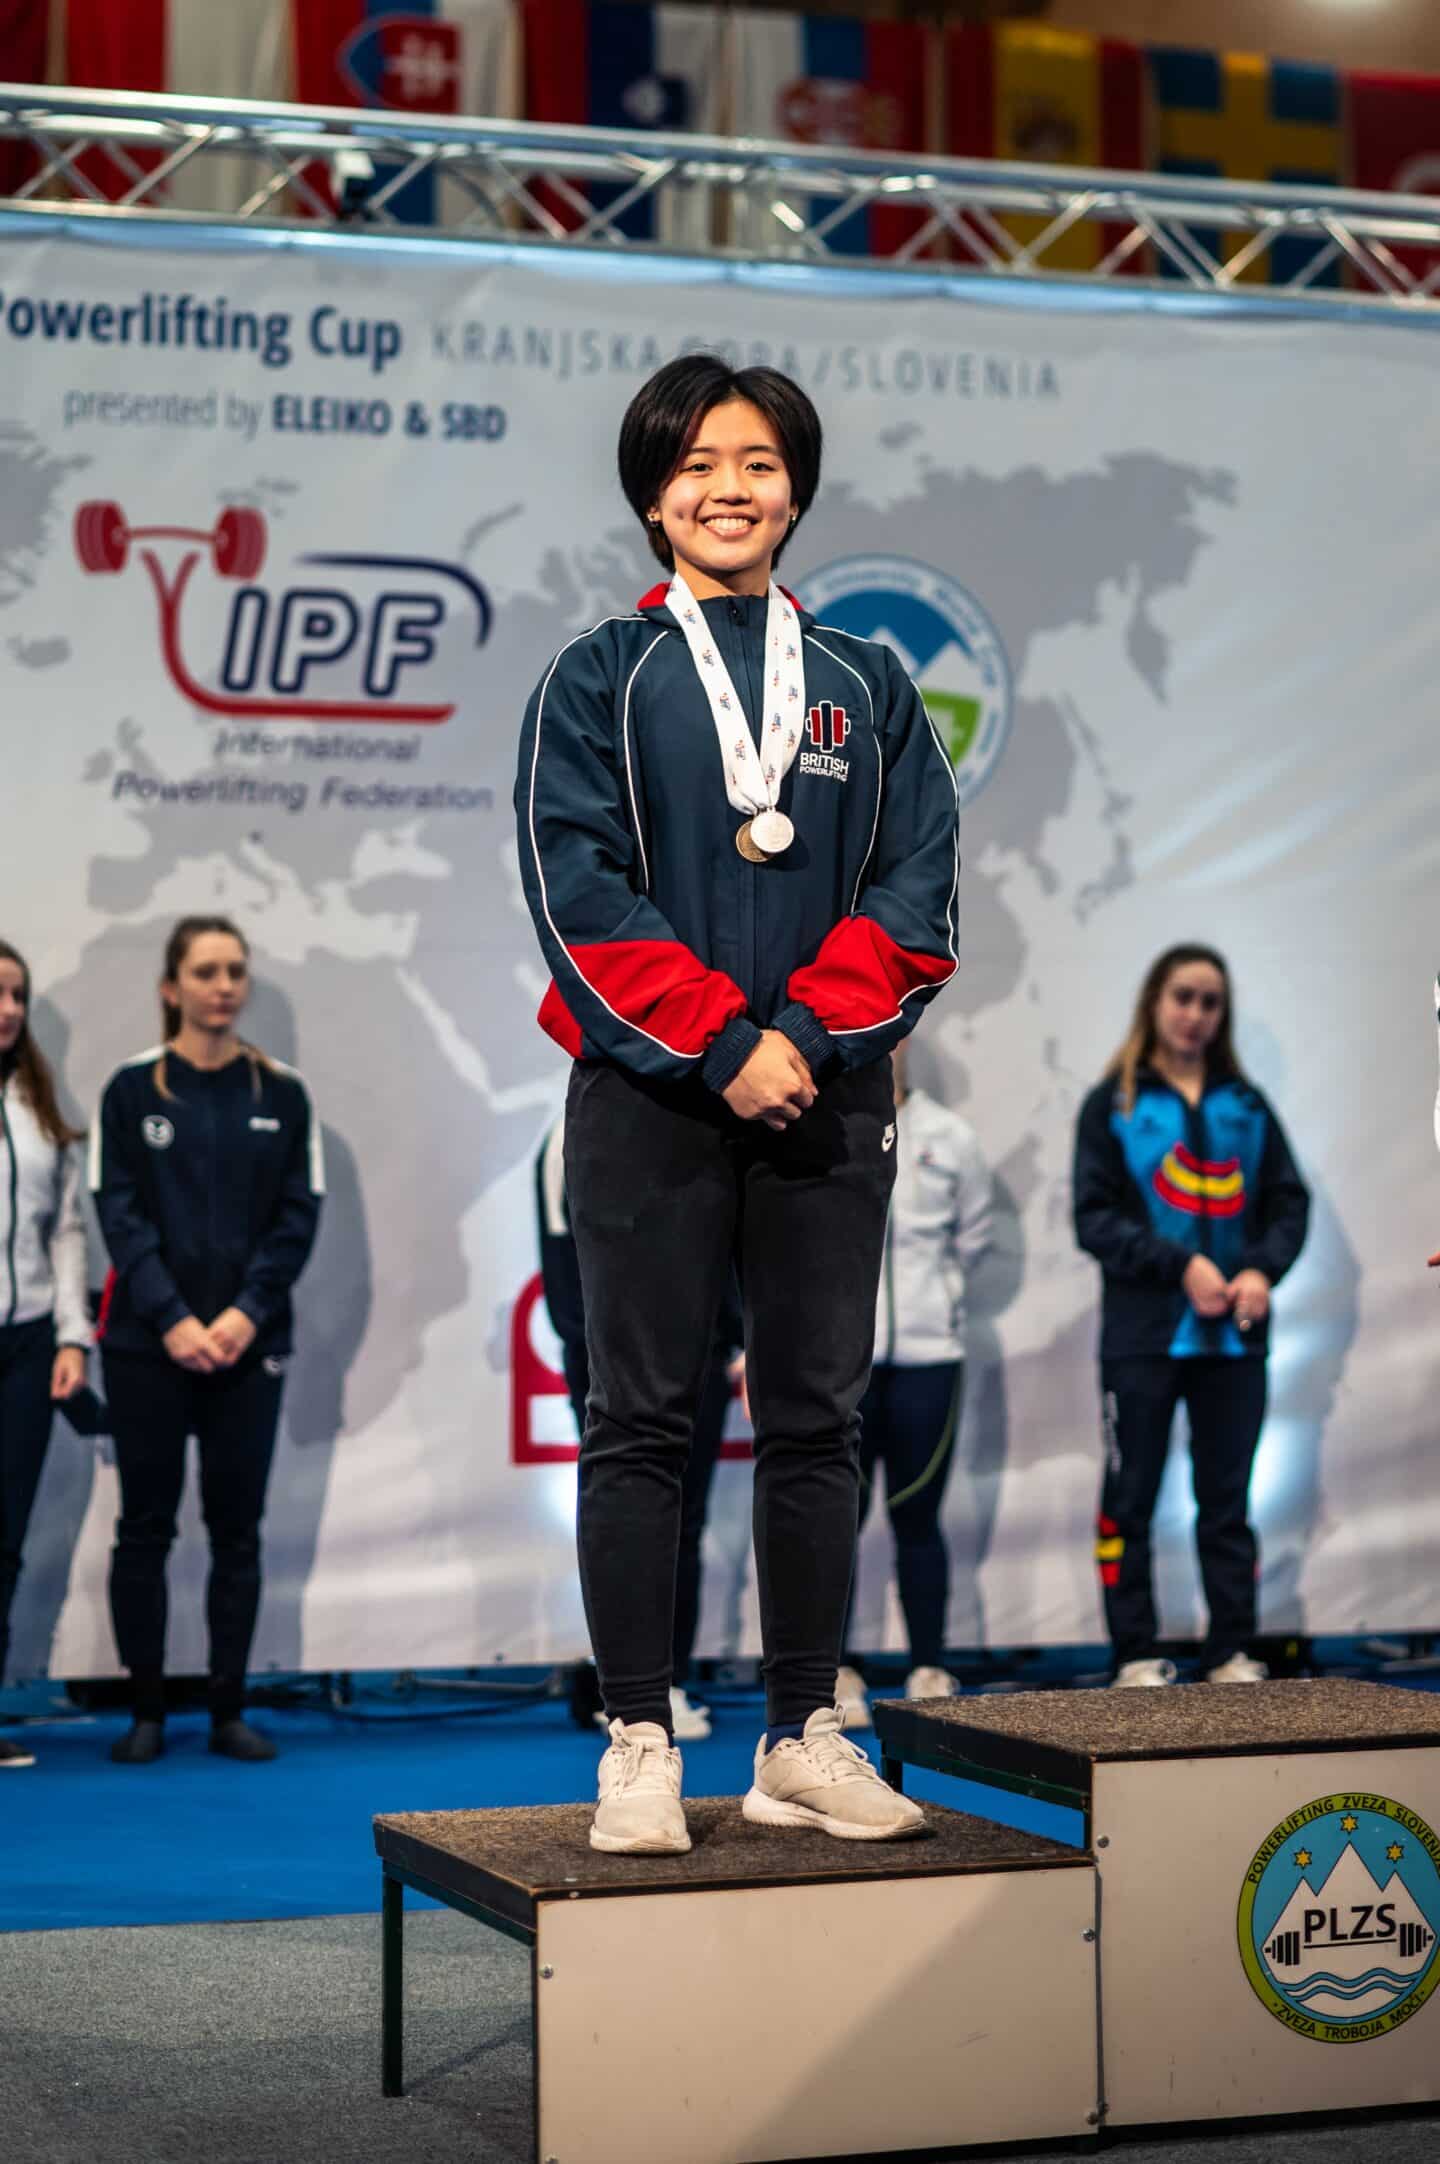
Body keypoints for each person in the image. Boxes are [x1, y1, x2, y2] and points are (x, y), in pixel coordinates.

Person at [515, 353, 960, 1852]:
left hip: (826, 1099)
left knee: (819, 1425)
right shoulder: (598, 678)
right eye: (698, 462)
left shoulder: (867, 684)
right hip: (651, 1097)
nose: (728, 487)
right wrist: (719, 1042)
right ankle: (639, 1736)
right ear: (654, 494)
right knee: (639, 1418)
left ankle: (799, 1733)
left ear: (796, 489)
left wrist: (812, 1034)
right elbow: (577, 892)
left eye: (758, 462)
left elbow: (920, 894)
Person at [91, 916, 323, 1764]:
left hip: (245, 1347)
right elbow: (117, 1213)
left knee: (237, 1529)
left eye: (234, 970)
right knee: (144, 1527)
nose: (222, 985)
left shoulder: (282, 1093)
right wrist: (174, 1319)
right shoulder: (130, 1091)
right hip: (147, 1345)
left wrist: (240, 1316)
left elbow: (299, 1219)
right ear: (171, 988)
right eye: (204, 971)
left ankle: (228, 1707)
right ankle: (146, 1710)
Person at [1073, 944, 1309, 1688]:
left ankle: (1232, 1649)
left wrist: (1260, 1272)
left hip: (1234, 1343)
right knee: (1128, 1500)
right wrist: (1182, 1266)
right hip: (1142, 1340)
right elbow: (1094, 1219)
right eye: (1184, 997)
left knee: (1228, 1503)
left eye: (1210, 1002)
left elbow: (1288, 1205)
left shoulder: (1247, 1105)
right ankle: (1134, 1652)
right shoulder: (1114, 1102)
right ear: (1155, 1001)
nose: (1196, 1015)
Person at [535, 1110, 741, 1741]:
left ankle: (670, 1681)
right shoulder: (568, 1131)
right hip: (612, 1367)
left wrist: (729, 1346)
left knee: (686, 1519)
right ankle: (627, 1693)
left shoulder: (710, 1116)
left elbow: (725, 1248)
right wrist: (601, 1363)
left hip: (698, 1359)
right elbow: (565, 1263)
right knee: (626, 1517)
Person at [836, 1041, 992, 1729]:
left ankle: (929, 1664)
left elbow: (976, 1237)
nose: (887, 1044)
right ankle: (832, 1671)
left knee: (918, 1516)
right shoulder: (828, 1123)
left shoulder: (952, 1138)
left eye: (898, 1032)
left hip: (931, 1358)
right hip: (845, 1360)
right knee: (835, 1521)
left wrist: (942, 1301)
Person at [0, 942, 91, 1768]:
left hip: (25, 1343)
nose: (6, 1009)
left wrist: (71, 1335)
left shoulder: (38, 1106)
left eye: (16, 994)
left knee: (6, 1536)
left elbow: (64, 1232)